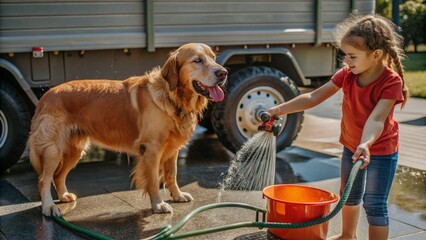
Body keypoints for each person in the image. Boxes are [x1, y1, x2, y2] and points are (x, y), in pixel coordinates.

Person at [268, 14, 408, 240]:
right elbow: (314, 97)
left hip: (380, 150)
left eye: (352, 56)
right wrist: (278, 109)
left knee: (374, 203)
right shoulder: (347, 74)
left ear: (376, 55)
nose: (347, 60)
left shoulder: (391, 81)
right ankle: (347, 236)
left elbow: (377, 119)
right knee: (349, 196)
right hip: (352, 146)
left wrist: (366, 143)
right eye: (345, 55)